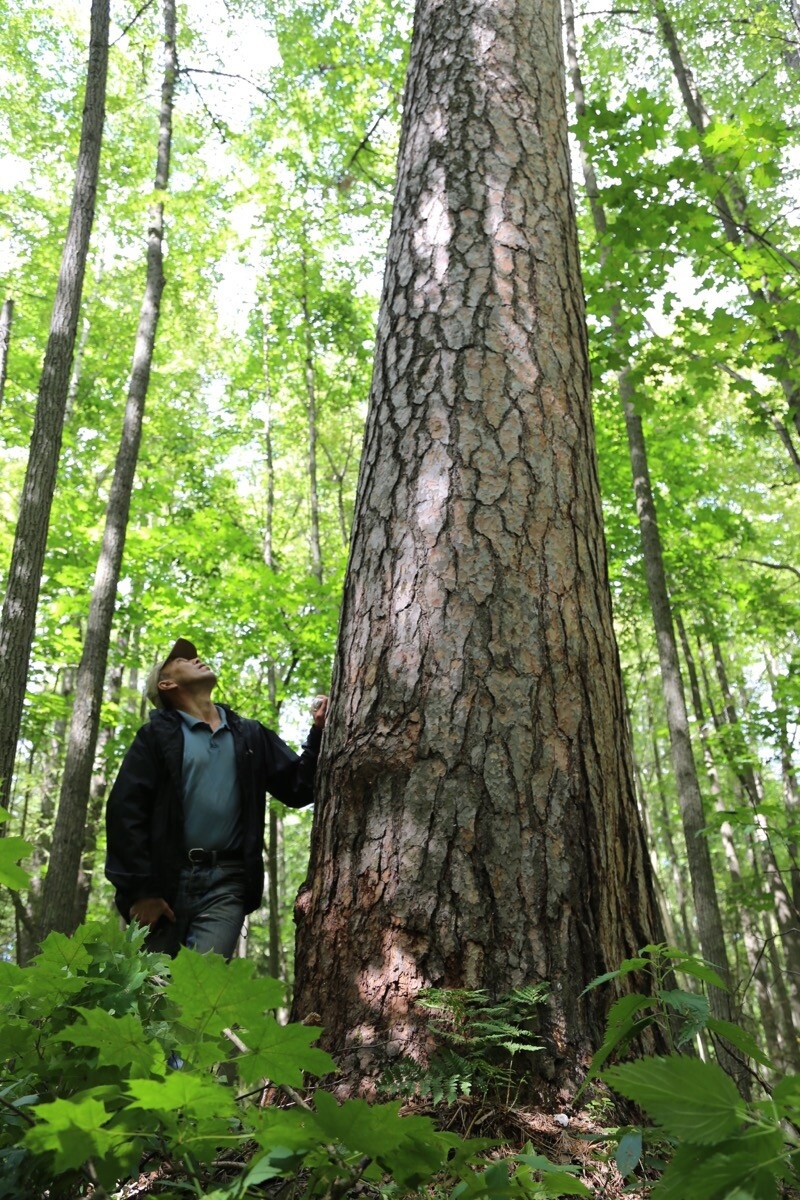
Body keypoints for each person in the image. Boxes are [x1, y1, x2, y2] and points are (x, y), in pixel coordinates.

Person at [105, 637, 327, 959]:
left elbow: (297, 786)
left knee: (201, 991)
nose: (196, 659)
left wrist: (318, 732)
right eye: (181, 660)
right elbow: (125, 811)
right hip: (164, 883)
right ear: (166, 684)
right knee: (153, 994)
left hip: (227, 884)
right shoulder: (156, 737)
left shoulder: (249, 734)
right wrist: (141, 892)